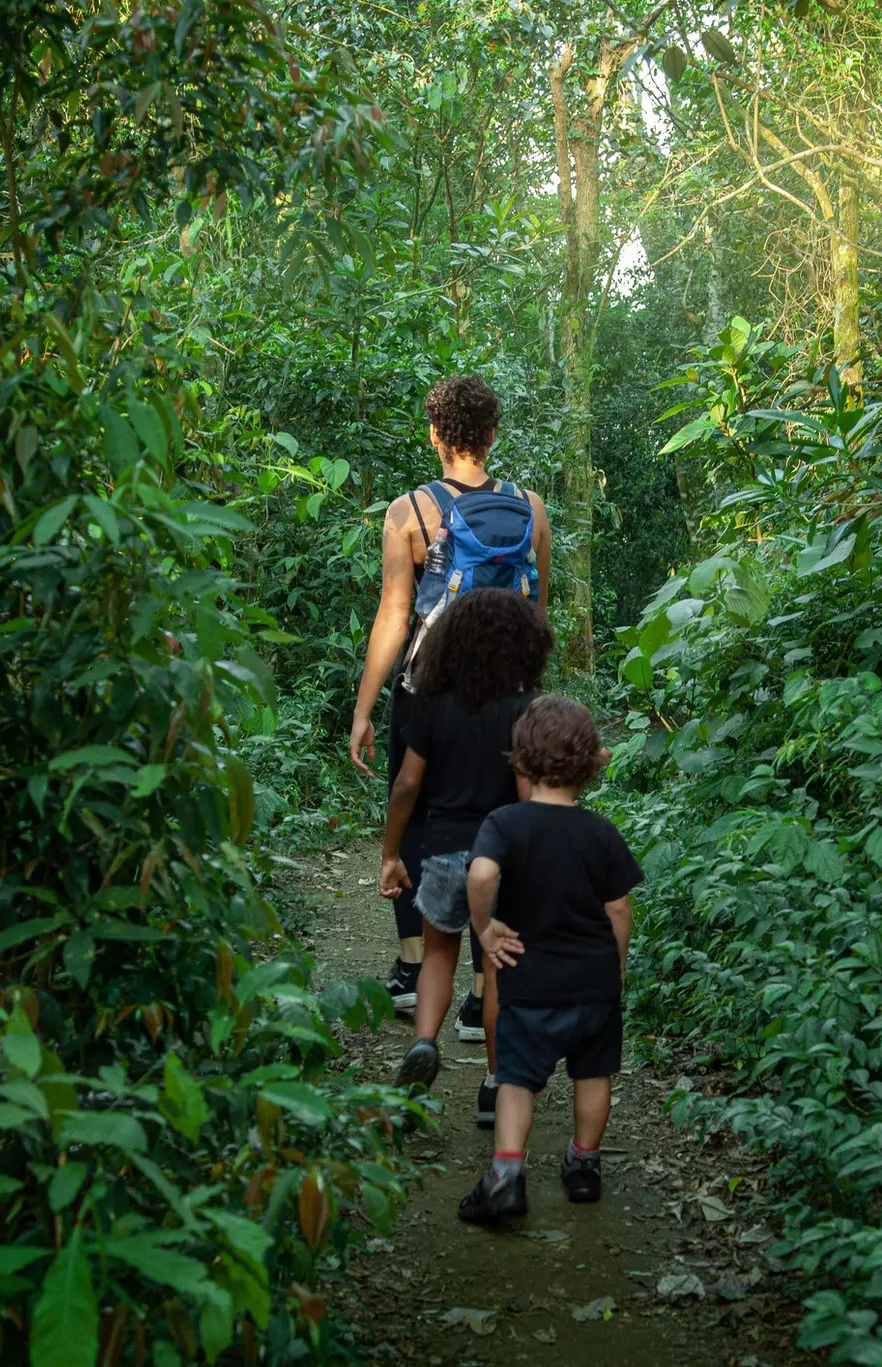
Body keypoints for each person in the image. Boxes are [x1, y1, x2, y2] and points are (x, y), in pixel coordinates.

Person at [348, 375, 552, 1030]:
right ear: (492, 434)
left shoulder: (410, 511)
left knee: (416, 817)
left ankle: (414, 964)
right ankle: (482, 988)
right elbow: (539, 614)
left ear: (436, 434)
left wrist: (364, 707)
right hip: (511, 698)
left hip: (428, 693)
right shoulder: (532, 508)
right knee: (503, 819)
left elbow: (394, 614)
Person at [458, 697, 641, 1224]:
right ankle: (583, 1164)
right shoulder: (600, 832)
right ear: (589, 764)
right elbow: (619, 907)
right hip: (592, 984)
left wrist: (485, 928)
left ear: (521, 759)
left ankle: (507, 1175)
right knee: (594, 1073)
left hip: (528, 982)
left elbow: (481, 875)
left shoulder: (505, 823)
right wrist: (617, 967)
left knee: (515, 1079)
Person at [381, 589, 553, 1130]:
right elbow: (529, 795)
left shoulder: (434, 704)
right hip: (500, 858)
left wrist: (391, 852)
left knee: (437, 955)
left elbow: (408, 784)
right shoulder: (522, 709)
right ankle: (494, 1084)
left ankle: (425, 1044)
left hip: (441, 853)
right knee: (497, 966)